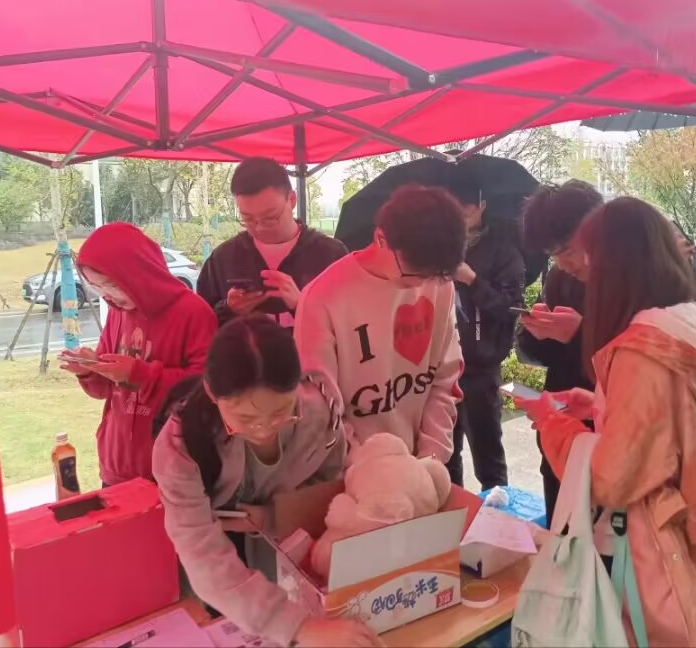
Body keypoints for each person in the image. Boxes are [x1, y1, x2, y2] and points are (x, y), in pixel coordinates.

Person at [518, 198, 696, 648]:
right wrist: (598, 404)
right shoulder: (691, 322)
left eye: (582, 255)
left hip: (658, 544)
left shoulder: (642, 349)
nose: (577, 267)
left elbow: (612, 478)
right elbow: (668, 423)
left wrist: (553, 425)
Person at [152, 316, 380, 647]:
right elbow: (201, 554)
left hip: (289, 547)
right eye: (244, 418)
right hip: (219, 560)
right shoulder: (180, 446)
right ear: (213, 393)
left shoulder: (320, 408)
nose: (263, 430)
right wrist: (299, 626)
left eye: (280, 412)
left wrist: (275, 517)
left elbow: (327, 490)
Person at [295, 185, 465, 462]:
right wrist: (369, 468)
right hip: (352, 469)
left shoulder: (440, 284)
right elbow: (322, 409)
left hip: (421, 464)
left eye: (433, 275)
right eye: (413, 273)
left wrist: (431, 457)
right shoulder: (322, 298)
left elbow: (444, 382)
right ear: (381, 239)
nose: (421, 284)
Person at [60, 223, 217, 487]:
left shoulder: (193, 312)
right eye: (97, 287)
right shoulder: (118, 312)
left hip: (173, 470)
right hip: (117, 464)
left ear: (138, 272)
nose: (108, 296)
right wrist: (90, 370)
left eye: (112, 285)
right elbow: (106, 389)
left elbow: (208, 389)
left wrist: (140, 375)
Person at [517, 180, 604, 524]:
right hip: (561, 426)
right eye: (553, 254)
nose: (563, 263)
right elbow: (546, 357)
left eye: (567, 251)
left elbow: (639, 365)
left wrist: (581, 333)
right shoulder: (559, 279)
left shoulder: (631, 281)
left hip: (608, 436)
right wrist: (536, 333)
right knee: (560, 531)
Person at [442, 171, 525, 490]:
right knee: (444, 457)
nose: (462, 213)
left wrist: (472, 280)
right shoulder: (434, 247)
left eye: (469, 206)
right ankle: (452, 514)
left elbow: (510, 308)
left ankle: (496, 514)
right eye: (454, 207)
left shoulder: (503, 251)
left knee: (488, 458)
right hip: (440, 369)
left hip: (480, 367)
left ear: (482, 205)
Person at [197, 157, 347, 328]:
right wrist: (227, 309)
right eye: (248, 219)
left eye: (270, 217)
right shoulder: (223, 258)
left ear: (292, 200)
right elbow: (201, 323)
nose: (259, 227)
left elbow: (353, 324)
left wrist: (302, 305)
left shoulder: (331, 255)